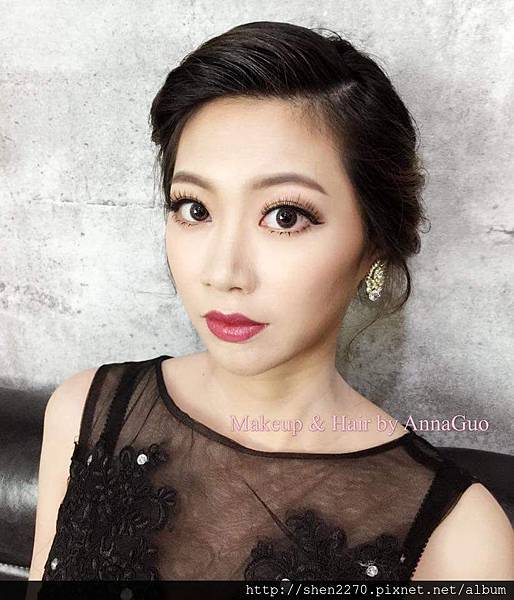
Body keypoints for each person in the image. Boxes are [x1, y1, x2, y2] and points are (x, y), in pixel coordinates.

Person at [28, 21, 513, 582]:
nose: (223, 272)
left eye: (285, 216)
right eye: (194, 209)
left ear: (374, 244)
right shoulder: (85, 414)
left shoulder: (460, 540)